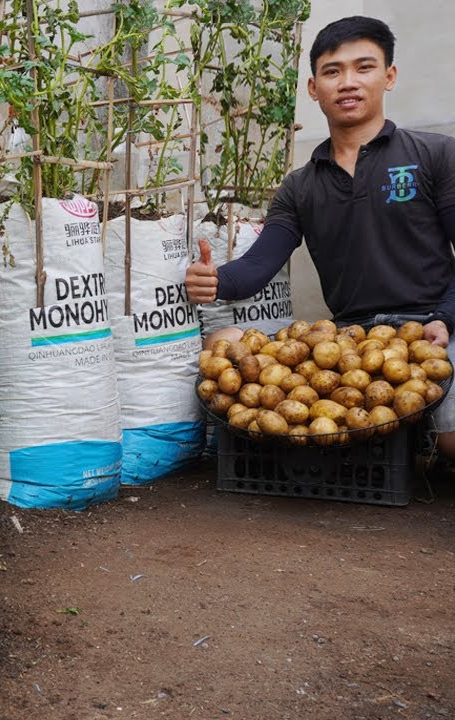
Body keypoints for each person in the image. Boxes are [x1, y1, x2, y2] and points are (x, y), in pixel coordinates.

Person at [185, 15, 455, 456]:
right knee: (222, 344)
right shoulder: (300, 186)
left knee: (451, 444)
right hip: (347, 340)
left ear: (389, 76)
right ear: (314, 88)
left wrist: (445, 318)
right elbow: (258, 265)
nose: (348, 82)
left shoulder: (435, 156)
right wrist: (215, 281)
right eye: (333, 71)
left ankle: (421, 442)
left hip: (433, 329)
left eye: (363, 67)